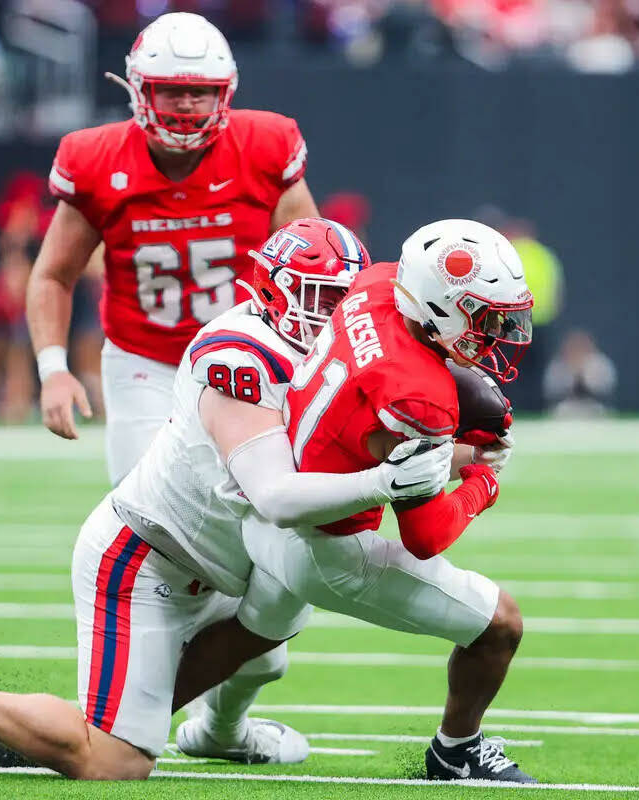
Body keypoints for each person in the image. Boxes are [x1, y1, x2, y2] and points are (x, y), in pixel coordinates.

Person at [0, 219, 454, 779]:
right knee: (114, 761)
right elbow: (275, 495)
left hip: (219, 563)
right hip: (148, 559)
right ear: (273, 289)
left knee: (270, 645)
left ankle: (220, 734)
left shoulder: (331, 358)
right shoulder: (243, 355)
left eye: (342, 298)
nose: (332, 313)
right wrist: (383, 483)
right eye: (317, 296)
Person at [172, 219, 538, 783]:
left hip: (279, 502)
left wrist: (453, 448)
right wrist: (483, 483)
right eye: (485, 317)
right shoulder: (420, 398)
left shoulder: (376, 284)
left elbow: (374, 424)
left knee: (251, 635)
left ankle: (125, 719)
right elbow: (425, 535)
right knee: (500, 626)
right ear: (443, 305)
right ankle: (456, 749)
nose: (493, 335)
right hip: (327, 543)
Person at [27, 12, 319, 486]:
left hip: (247, 352)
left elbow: (314, 265)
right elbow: (53, 275)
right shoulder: (96, 160)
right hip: (145, 361)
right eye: (171, 90)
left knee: (266, 499)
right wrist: (53, 369)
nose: (185, 104)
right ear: (140, 90)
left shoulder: (264, 146)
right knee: (147, 510)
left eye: (199, 91)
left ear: (224, 91)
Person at [543, 329, 616, 417]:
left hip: (593, 405)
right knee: (559, 411)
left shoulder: (599, 363)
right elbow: (553, 391)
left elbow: (604, 390)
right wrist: (572, 375)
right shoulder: (558, 364)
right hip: (567, 406)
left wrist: (583, 374)